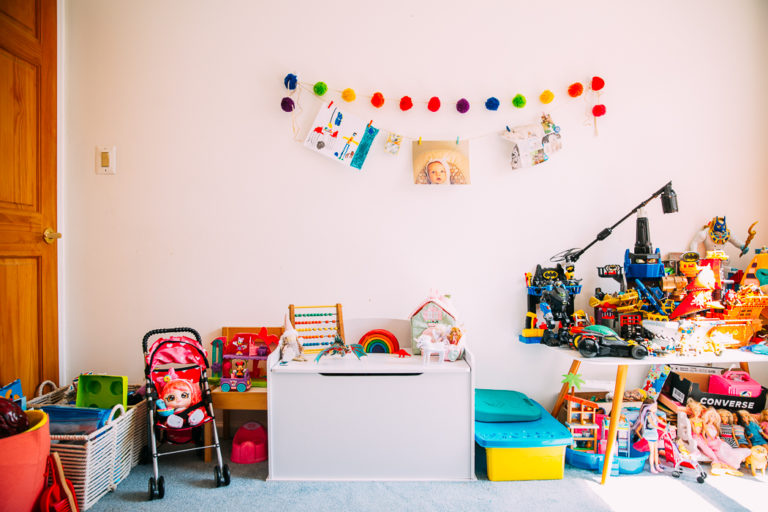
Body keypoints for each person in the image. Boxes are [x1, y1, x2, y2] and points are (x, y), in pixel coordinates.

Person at [633, 398, 663, 473]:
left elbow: (659, 422)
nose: (656, 409)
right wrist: (642, 438)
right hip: (648, 436)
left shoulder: (653, 415)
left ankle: (657, 466)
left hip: (653, 435)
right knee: (652, 452)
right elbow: (652, 425)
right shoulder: (647, 416)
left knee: (655, 451)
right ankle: (652, 467)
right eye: (654, 407)